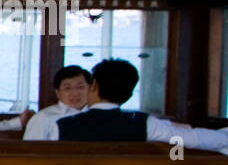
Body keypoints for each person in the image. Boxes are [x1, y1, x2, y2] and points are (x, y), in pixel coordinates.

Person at [47, 58, 228, 152]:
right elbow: (192, 139)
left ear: (94, 86)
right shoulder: (144, 123)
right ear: (129, 94)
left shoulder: (62, 126)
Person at [22, 65, 91, 140]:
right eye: (67, 88)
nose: (75, 93)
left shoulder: (96, 116)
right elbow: (30, 150)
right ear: (58, 93)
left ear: (90, 89)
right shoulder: (43, 117)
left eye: (80, 87)